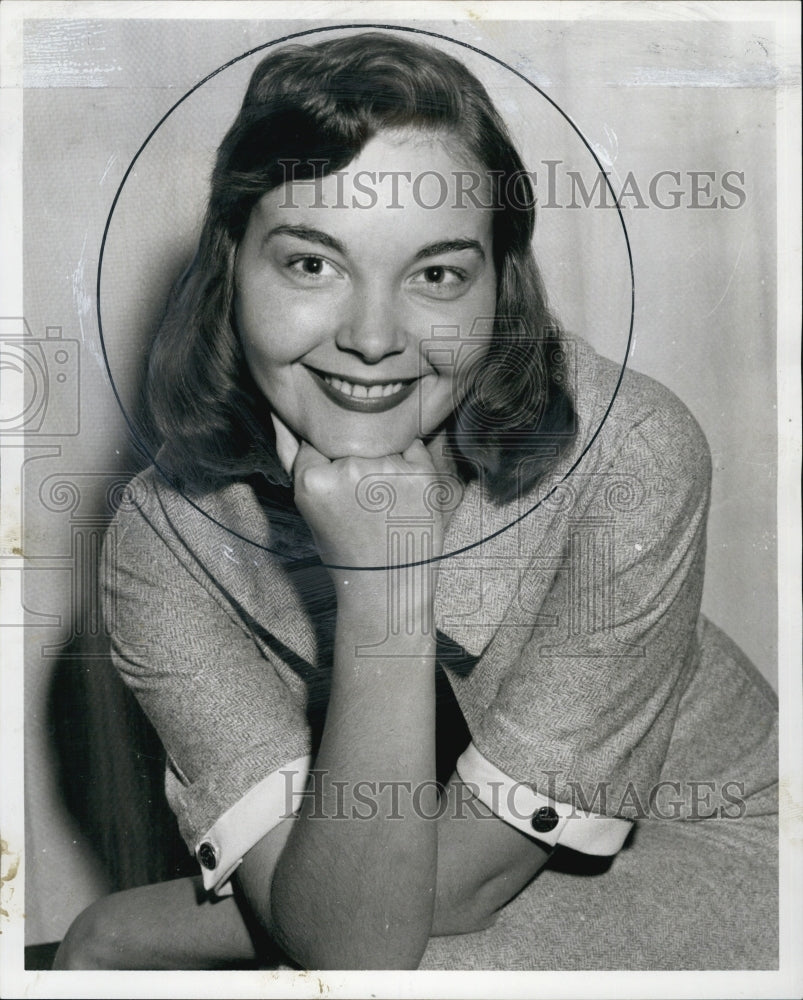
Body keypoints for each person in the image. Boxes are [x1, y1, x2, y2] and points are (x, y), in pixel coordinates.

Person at [54, 30, 778, 971]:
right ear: (230, 263)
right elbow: (354, 927)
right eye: (312, 263)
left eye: (436, 275)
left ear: (499, 287)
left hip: (723, 855)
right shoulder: (161, 543)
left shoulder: (632, 452)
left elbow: (400, 921)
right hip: (388, 883)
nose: (371, 337)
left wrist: (125, 927)